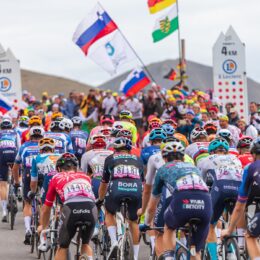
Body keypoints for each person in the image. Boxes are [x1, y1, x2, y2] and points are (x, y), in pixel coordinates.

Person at [141, 141, 211, 259]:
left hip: (183, 199)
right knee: (195, 251)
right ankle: (193, 252)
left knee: (168, 227)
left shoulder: (163, 169)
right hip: (205, 203)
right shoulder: (194, 168)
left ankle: (169, 257)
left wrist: (146, 223)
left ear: (164, 158)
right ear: (183, 157)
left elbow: (152, 206)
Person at [39, 153, 97, 260]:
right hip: (91, 207)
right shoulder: (85, 177)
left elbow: (47, 207)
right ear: (75, 168)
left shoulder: (56, 177)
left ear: (59, 169)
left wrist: (43, 226)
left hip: (71, 208)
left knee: (63, 247)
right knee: (86, 244)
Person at [96, 137, 144, 260]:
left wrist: (100, 199)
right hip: (136, 190)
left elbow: (104, 183)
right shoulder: (138, 160)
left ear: (115, 150)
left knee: (109, 212)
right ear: (129, 150)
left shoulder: (110, 159)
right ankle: (136, 256)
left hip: (117, 189)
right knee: (133, 221)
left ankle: (114, 242)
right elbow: (142, 182)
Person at [198, 138, 243, 260]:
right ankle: (232, 251)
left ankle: (214, 258)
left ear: (211, 151)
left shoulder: (206, 159)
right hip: (239, 189)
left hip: (221, 188)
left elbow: (201, 182)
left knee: (210, 225)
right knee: (232, 220)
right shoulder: (235, 159)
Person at [221, 137, 260, 260]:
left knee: (250, 235)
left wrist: (229, 230)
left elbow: (239, 206)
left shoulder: (250, 167)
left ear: (253, 154)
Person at [12, 126, 45, 244]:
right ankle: (42, 231)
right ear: (43, 136)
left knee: (28, 202)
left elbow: (15, 167)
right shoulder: (46, 146)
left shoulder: (24, 147)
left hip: (28, 175)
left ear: (30, 136)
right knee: (43, 204)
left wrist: (16, 182)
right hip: (43, 174)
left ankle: (27, 229)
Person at [0, 118, 20, 222]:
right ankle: (16, 194)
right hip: (13, 154)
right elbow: (19, 147)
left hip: (2, 156)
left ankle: (4, 211)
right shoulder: (15, 133)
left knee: (2, 184)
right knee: (16, 174)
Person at [81, 134, 113, 199]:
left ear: (92, 144)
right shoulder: (112, 153)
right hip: (113, 183)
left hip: (97, 182)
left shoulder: (87, 154)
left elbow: (83, 174)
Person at [30, 138, 60, 204]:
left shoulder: (36, 158)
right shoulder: (60, 156)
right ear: (53, 149)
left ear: (40, 150)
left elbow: (34, 180)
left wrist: (33, 192)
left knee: (44, 206)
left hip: (47, 181)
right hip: (60, 181)